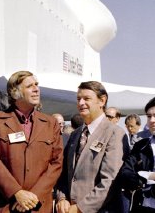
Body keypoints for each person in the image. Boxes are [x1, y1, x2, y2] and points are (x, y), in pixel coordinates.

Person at [0, 71, 63, 213]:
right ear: (15, 93)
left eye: (37, 85)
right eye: (30, 86)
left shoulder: (51, 123)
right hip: (5, 205)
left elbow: (56, 163)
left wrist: (33, 197)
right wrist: (17, 193)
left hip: (39, 205)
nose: (36, 89)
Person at [56, 81, 125, 213]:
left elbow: (109, 181)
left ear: (102, 101)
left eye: (87, 98)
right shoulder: (75, 135)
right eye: (78, 99)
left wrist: (80, 208)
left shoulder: (115, 134)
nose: (81, 103)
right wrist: (62, 198)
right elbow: (65, 173)